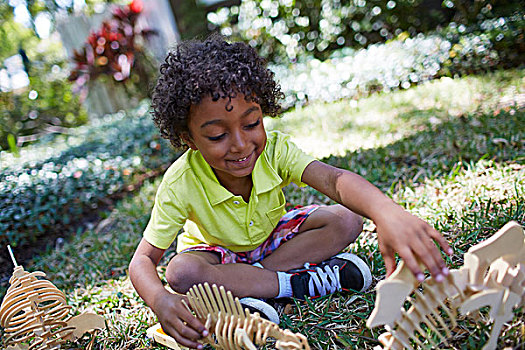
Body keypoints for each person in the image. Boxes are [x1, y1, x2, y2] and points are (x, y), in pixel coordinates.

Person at [129, 35, 453, 349]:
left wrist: (387, 212)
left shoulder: (275, 151)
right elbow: (143, 260)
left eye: (252, 123)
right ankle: (294, 284)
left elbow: (333, 180)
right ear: (188, 139)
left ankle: (251, 290)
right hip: (218, 256)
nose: (241, 144)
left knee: (347, 220)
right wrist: (160, 300)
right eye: (217, 136)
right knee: (180, 272)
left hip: (274, 244)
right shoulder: (180, 183)